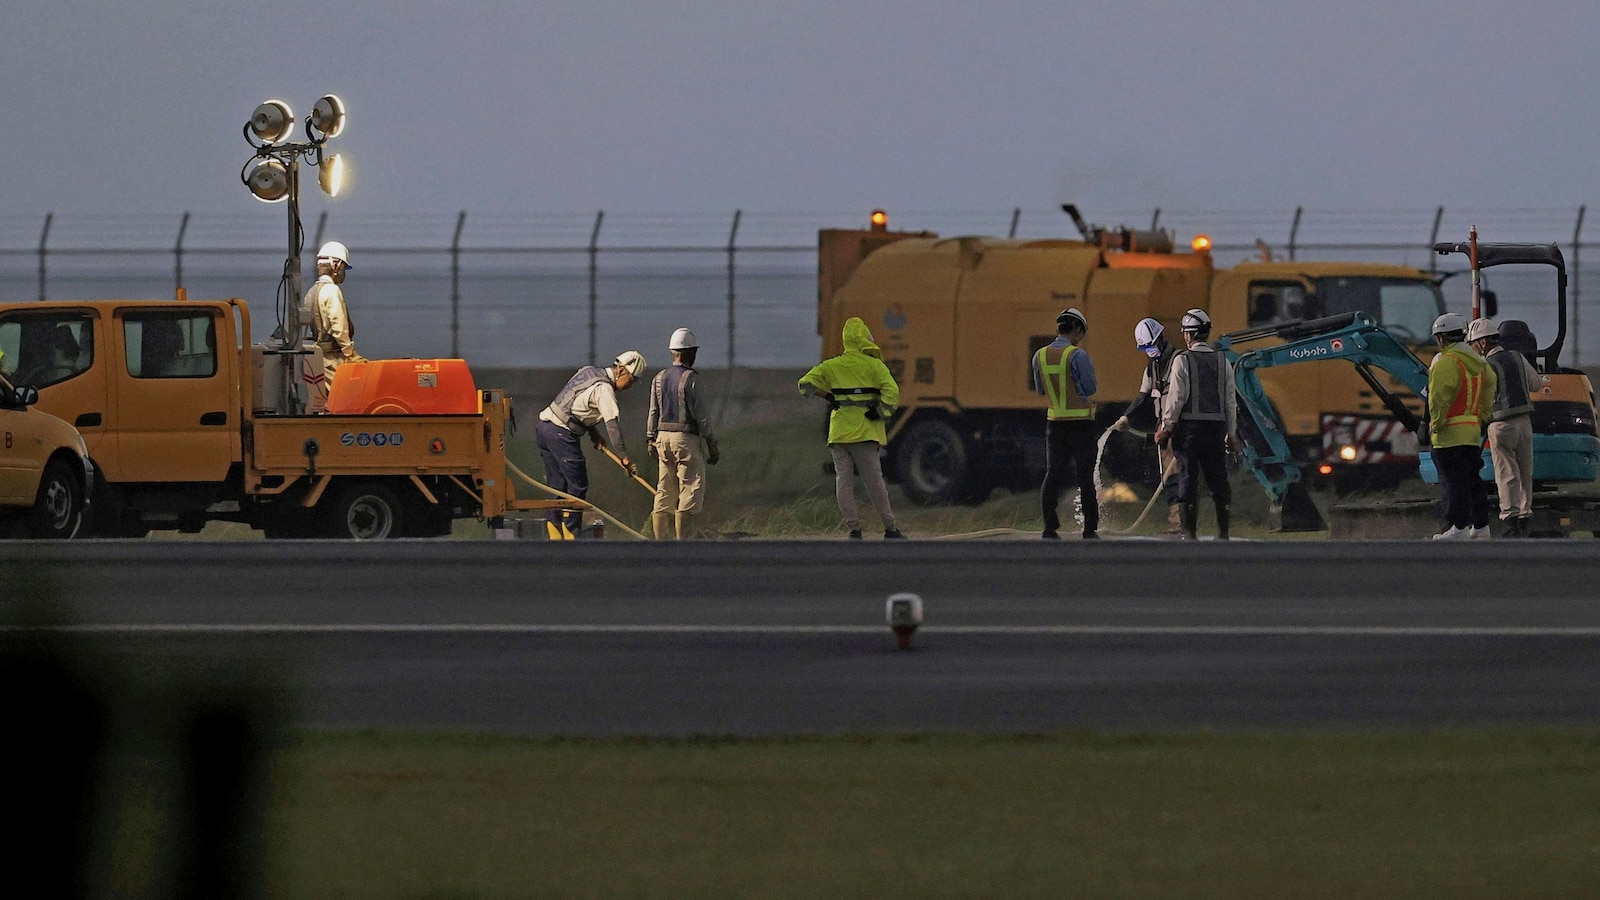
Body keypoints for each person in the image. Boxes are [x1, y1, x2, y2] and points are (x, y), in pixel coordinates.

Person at [799, 316, 903, 539]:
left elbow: (804, 385)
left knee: (843, 482)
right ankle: (890, 528)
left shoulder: (832, 365)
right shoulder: (875, 366)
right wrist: (880, 413)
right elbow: (893, 393)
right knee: (875, 483)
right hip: (865, 433)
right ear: (865, 339)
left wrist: (827, 396)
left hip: (839, 434)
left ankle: (853, 529)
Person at [537, 351, 647, 538]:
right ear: (621, 370)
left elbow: (577, 405)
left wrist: (594, 434)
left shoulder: (588, 371)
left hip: (544, 429)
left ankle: (554, 534)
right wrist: (624, 457)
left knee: (557, 485)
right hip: (561, 434)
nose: (630, 386)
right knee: (578, 485)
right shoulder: (605, 390)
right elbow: (613, 427)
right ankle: (571, 534)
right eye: (631, 379)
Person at [1154, 309, 1237, 540]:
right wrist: (1232, 433)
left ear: (1189, 334)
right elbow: (1230, 400)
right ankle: (1223, 532)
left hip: (1190, 431)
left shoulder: (1182, 360)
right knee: (1218, 479)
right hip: (1216, 429)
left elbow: (1176, 398)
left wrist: (1166, 428)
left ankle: (1190, 533)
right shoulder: (1223, 361)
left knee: (1188, 477)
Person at [1426, 313, 1496, 540]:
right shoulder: (1481, 365)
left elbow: (1438, 398)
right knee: (1472, 480)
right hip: (1471, 431)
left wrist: (1436, 423)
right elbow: (1489, 390)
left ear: (1441, 339)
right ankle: (1481, 526)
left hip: (1448, 434)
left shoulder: (1446, 362)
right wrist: (1481, 417)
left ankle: (1458, 527)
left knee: (1454, 482)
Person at [1032, 307, 1100, 540]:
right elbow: (1091, 388)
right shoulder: (1077, 355)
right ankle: (1089, 529)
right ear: (1077, 329)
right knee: (1085, 477)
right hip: (1081, 425)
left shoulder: (1039, 356)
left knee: (1053, 474)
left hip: (1054, 425)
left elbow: (1041, 389)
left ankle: (1049, 527)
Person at [646, 327, 720, 540]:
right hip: (685, 440)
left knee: (664, 490)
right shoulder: (692, 379)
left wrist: (650, 439)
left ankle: (660, 543)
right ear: (691, 353)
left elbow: (653, 411)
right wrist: (711, 443)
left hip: (662, 439)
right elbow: (702, 415)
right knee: (690, 489)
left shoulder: (659, 377)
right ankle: (683, 543)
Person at [1113, 317, 1182, 533]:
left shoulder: (1179, 361)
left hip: (1180, 429)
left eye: (1151, 345)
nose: (1149, 350)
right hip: (1164, 430)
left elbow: (1181, 397)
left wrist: (1170, 426)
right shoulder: (1152, 369)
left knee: (1182, 476)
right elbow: (1142, 397)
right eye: (1145, 347)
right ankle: (1177, 522)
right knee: (1170, 479)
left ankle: (1184, 523)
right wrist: (1126, 417)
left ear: (1161, 338)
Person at [1470, 317, 1537, 536]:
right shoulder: (1517, 357)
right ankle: (1526, 515)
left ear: (1482, 343)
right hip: (1525, 422)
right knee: (1525, 472)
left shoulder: (1485, 365)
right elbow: (1536, 384)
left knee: (1506, 472)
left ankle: (1510, 519)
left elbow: (1483, 397)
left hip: (1500, 424)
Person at [302, 240, 366, 412]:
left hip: (318, 357)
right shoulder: (331, 291)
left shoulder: (311, 292)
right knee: (342, 404)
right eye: (344, 267)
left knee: (323, 403)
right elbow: (338, 326)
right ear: (336, 265)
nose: (344, 272)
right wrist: (350, 353)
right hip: (333, 359)